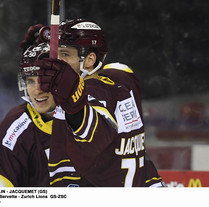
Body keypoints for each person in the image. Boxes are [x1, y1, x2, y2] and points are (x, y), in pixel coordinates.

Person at [30, 19, 165, 187]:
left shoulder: (89, 94)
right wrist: (34, 57)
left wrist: (73, 97)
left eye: (64, 54)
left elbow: (94, 131)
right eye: (54, 53)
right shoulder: (123, 77)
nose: (56, 62)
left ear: (89, 60)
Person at [0, 42, 54, 187]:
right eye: (30, 81)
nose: (37, 90)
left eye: (44, 81)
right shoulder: (13, 129)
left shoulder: (91, 118)